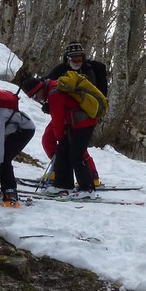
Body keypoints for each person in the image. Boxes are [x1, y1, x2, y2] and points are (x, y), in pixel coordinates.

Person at [19, 76, 98, 199]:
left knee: (76, 154)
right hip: (74, 122)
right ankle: (63, 186)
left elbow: (58, 120)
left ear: (39, 89)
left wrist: (59, 137)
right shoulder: (53, 88)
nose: (36, 100)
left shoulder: (54, 93)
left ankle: (87, 189)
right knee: (62, 151)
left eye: (35, 96)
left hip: (84, 123)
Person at [44, 41, 107, 186]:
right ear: (68, 58)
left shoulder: (89, 71)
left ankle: (92, 175)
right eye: (75, 58)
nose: (78, 62)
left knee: (77, 148)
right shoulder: (61, 69)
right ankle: (57, 169)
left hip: (82, 117)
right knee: (49, 139)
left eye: (80, 58)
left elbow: (90, 96)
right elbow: (48, 84)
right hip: (64, 114)